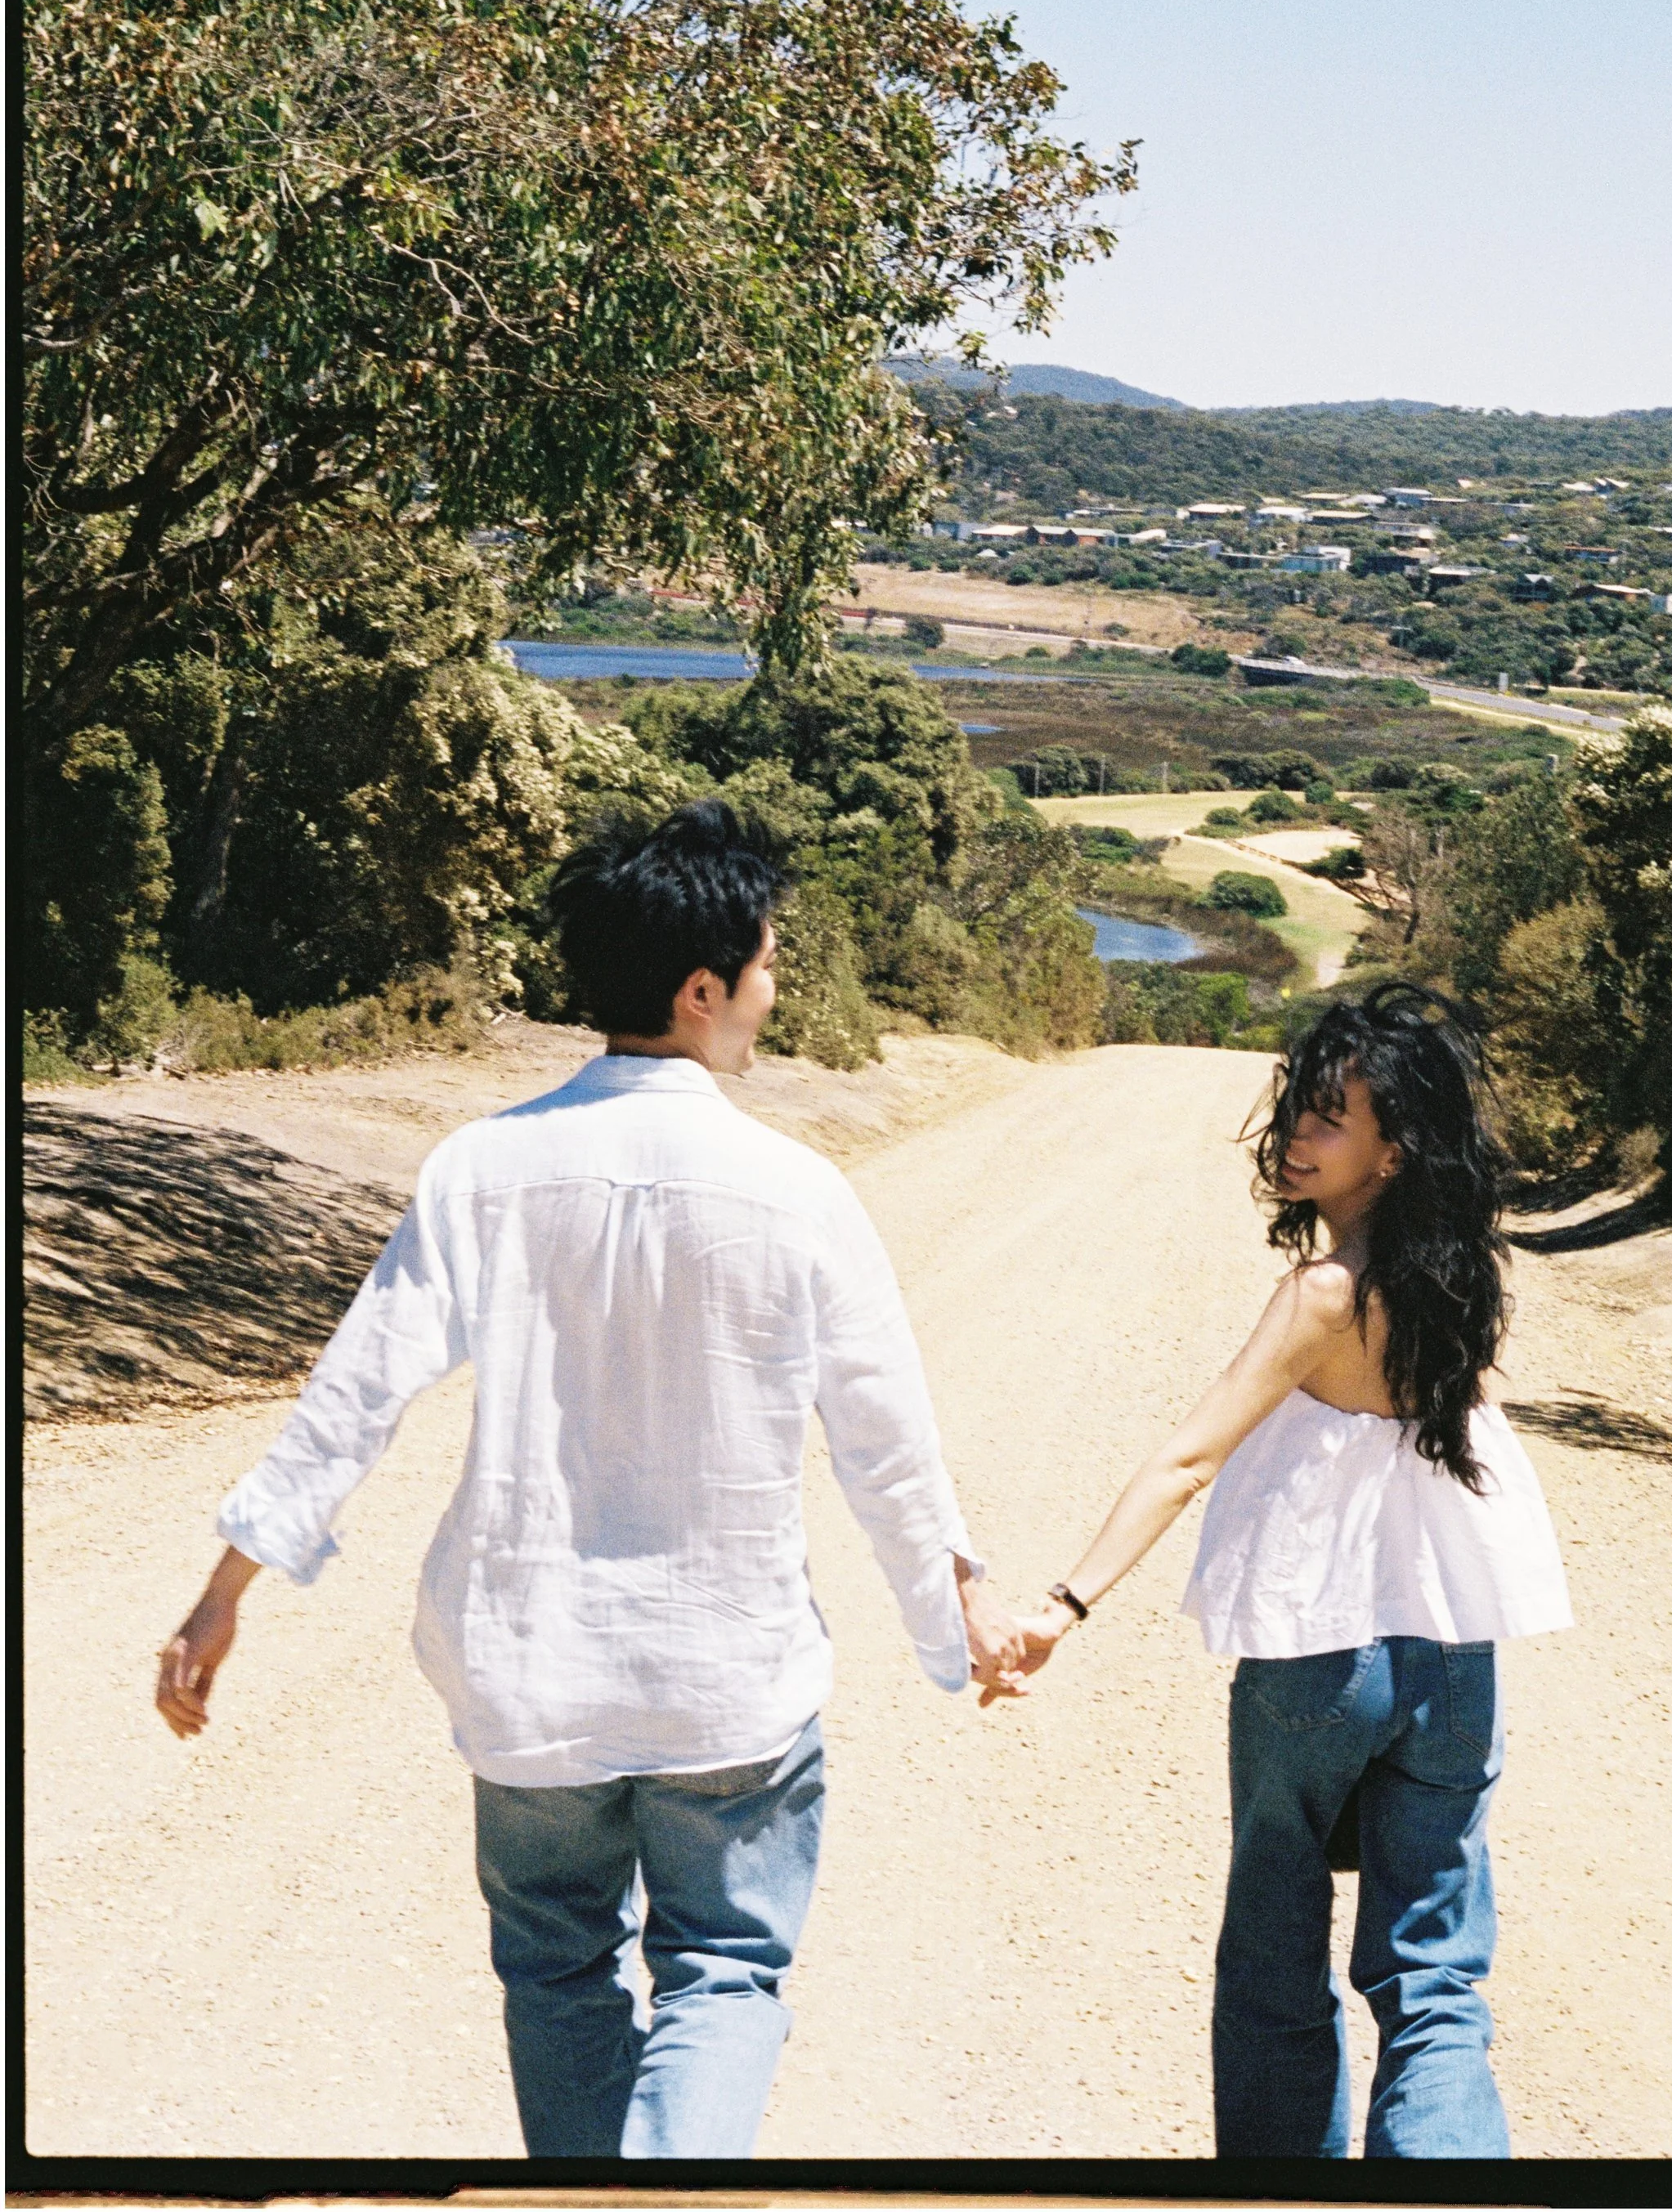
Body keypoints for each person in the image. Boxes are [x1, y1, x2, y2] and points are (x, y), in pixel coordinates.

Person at [155, 801, 1028, 2161]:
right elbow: (888, 1446)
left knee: (558, 1975)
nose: (775, 987)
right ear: (701, 989)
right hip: (725, 1682)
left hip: (530, 1682)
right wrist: (952, 1613)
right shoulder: (800, 1192)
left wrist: (227, 1590)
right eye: (769, 963)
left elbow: (357, 1394)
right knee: (726, 1975)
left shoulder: (482, 1169)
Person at [1016, 980, 1571, 2161]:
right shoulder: (1460, 1280)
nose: (1295, 1137)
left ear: (1394, 1146)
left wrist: (1065, 1602)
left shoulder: (1324, 1295)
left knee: (1275, 1959)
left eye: (1329, 1117)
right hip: (1451, 1653)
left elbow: (1188, 1456)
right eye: (1297, 1110)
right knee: (1435, 1982)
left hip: (1320, 1657)